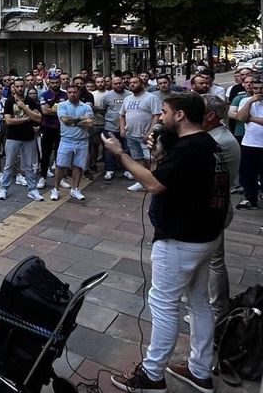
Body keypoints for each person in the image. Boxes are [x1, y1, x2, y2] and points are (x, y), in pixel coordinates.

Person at [106, 93, 229, 393]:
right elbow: (176, 178)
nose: (160, 117)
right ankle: (199, 370)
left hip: (180, 239)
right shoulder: (206, 144)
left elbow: (154, 184)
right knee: (198, 302)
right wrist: (160, 154)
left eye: (164, 112)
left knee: (163, 305)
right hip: (204, 236)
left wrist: (120, 154)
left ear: (181, 115)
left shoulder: (191, 148)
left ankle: (152, 376)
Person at [200, 95, 240, 323]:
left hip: (213, 208)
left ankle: (218, 311)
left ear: (211, 116)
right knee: (211, 260)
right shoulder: (214, 136)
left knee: (214, 261)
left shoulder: (218, 141)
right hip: (215, 205)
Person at [0, 78, 43, 201]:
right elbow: (8, 121)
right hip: (13, 137)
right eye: (17, 86)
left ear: (25, 87)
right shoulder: (9, 101)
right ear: (13, 87)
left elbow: (38, 119)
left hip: (28, 137)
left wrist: (24, 107)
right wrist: (27, 119)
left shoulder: (30, 101)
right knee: (9, 164)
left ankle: (32, 189)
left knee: (29, 166)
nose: (19, 88)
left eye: (21, 86)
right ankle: (3, 188)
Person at [50, 84, 94, 201]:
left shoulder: (86, 107)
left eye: (75, 92)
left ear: (79, 93)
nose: (72, 94)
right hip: (66, 140)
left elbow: (89, 123)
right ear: (67, 93)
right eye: (70, 92)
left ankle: (75, 189)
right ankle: (56, 189)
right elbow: (65, 120)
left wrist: (74, 121)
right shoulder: (62, 105)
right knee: (60, 166)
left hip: (82, 140)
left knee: (78, 166)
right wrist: (80, 119)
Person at [120, 77, 162, 192]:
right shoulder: (127, 99)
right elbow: (122, 115)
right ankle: (141, 181)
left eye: (135, 82)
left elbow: (156, 116)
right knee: (137, 158)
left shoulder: (151, 98)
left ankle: (153, 182)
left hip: (146, 136)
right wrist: (122, 129)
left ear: (142, 83)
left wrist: (150, 132)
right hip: (131, 135)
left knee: (151, 159)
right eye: (130, 83)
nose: (132, 84)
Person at [235, 77, 263, 209]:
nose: (258, 91)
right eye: (255, 88)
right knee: (249, 174)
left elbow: (246, 118)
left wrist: (250, 118)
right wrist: (251, 101)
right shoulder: (246, 100)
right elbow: (240, 117)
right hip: (250, 143)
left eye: (261, 89)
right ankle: (251, 199)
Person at [38, 73, 68, 189]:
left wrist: (54, 111)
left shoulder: (65, 95)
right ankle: (43, 177)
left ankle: (61, 178)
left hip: (61, 129)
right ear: (49, 83)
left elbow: (68, 111)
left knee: (60, 154)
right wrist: (61, 112)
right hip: (47, 128)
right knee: (45, 154)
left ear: (60, 82)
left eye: (57, 82)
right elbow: (44, 111)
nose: (55, 85)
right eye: (52, 82)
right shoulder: (44, 95)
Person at [102, 76, 130, 180]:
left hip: (127, 127)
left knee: (127, 149)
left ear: (123, 83)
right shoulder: (107, 96)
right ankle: (110, 170)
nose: (118, 85)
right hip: (110, 127)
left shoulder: (130, 95)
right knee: (109, 150)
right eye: (115, 84)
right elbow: (103, 110)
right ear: (111, 84)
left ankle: (128, 170)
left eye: (119, 83)